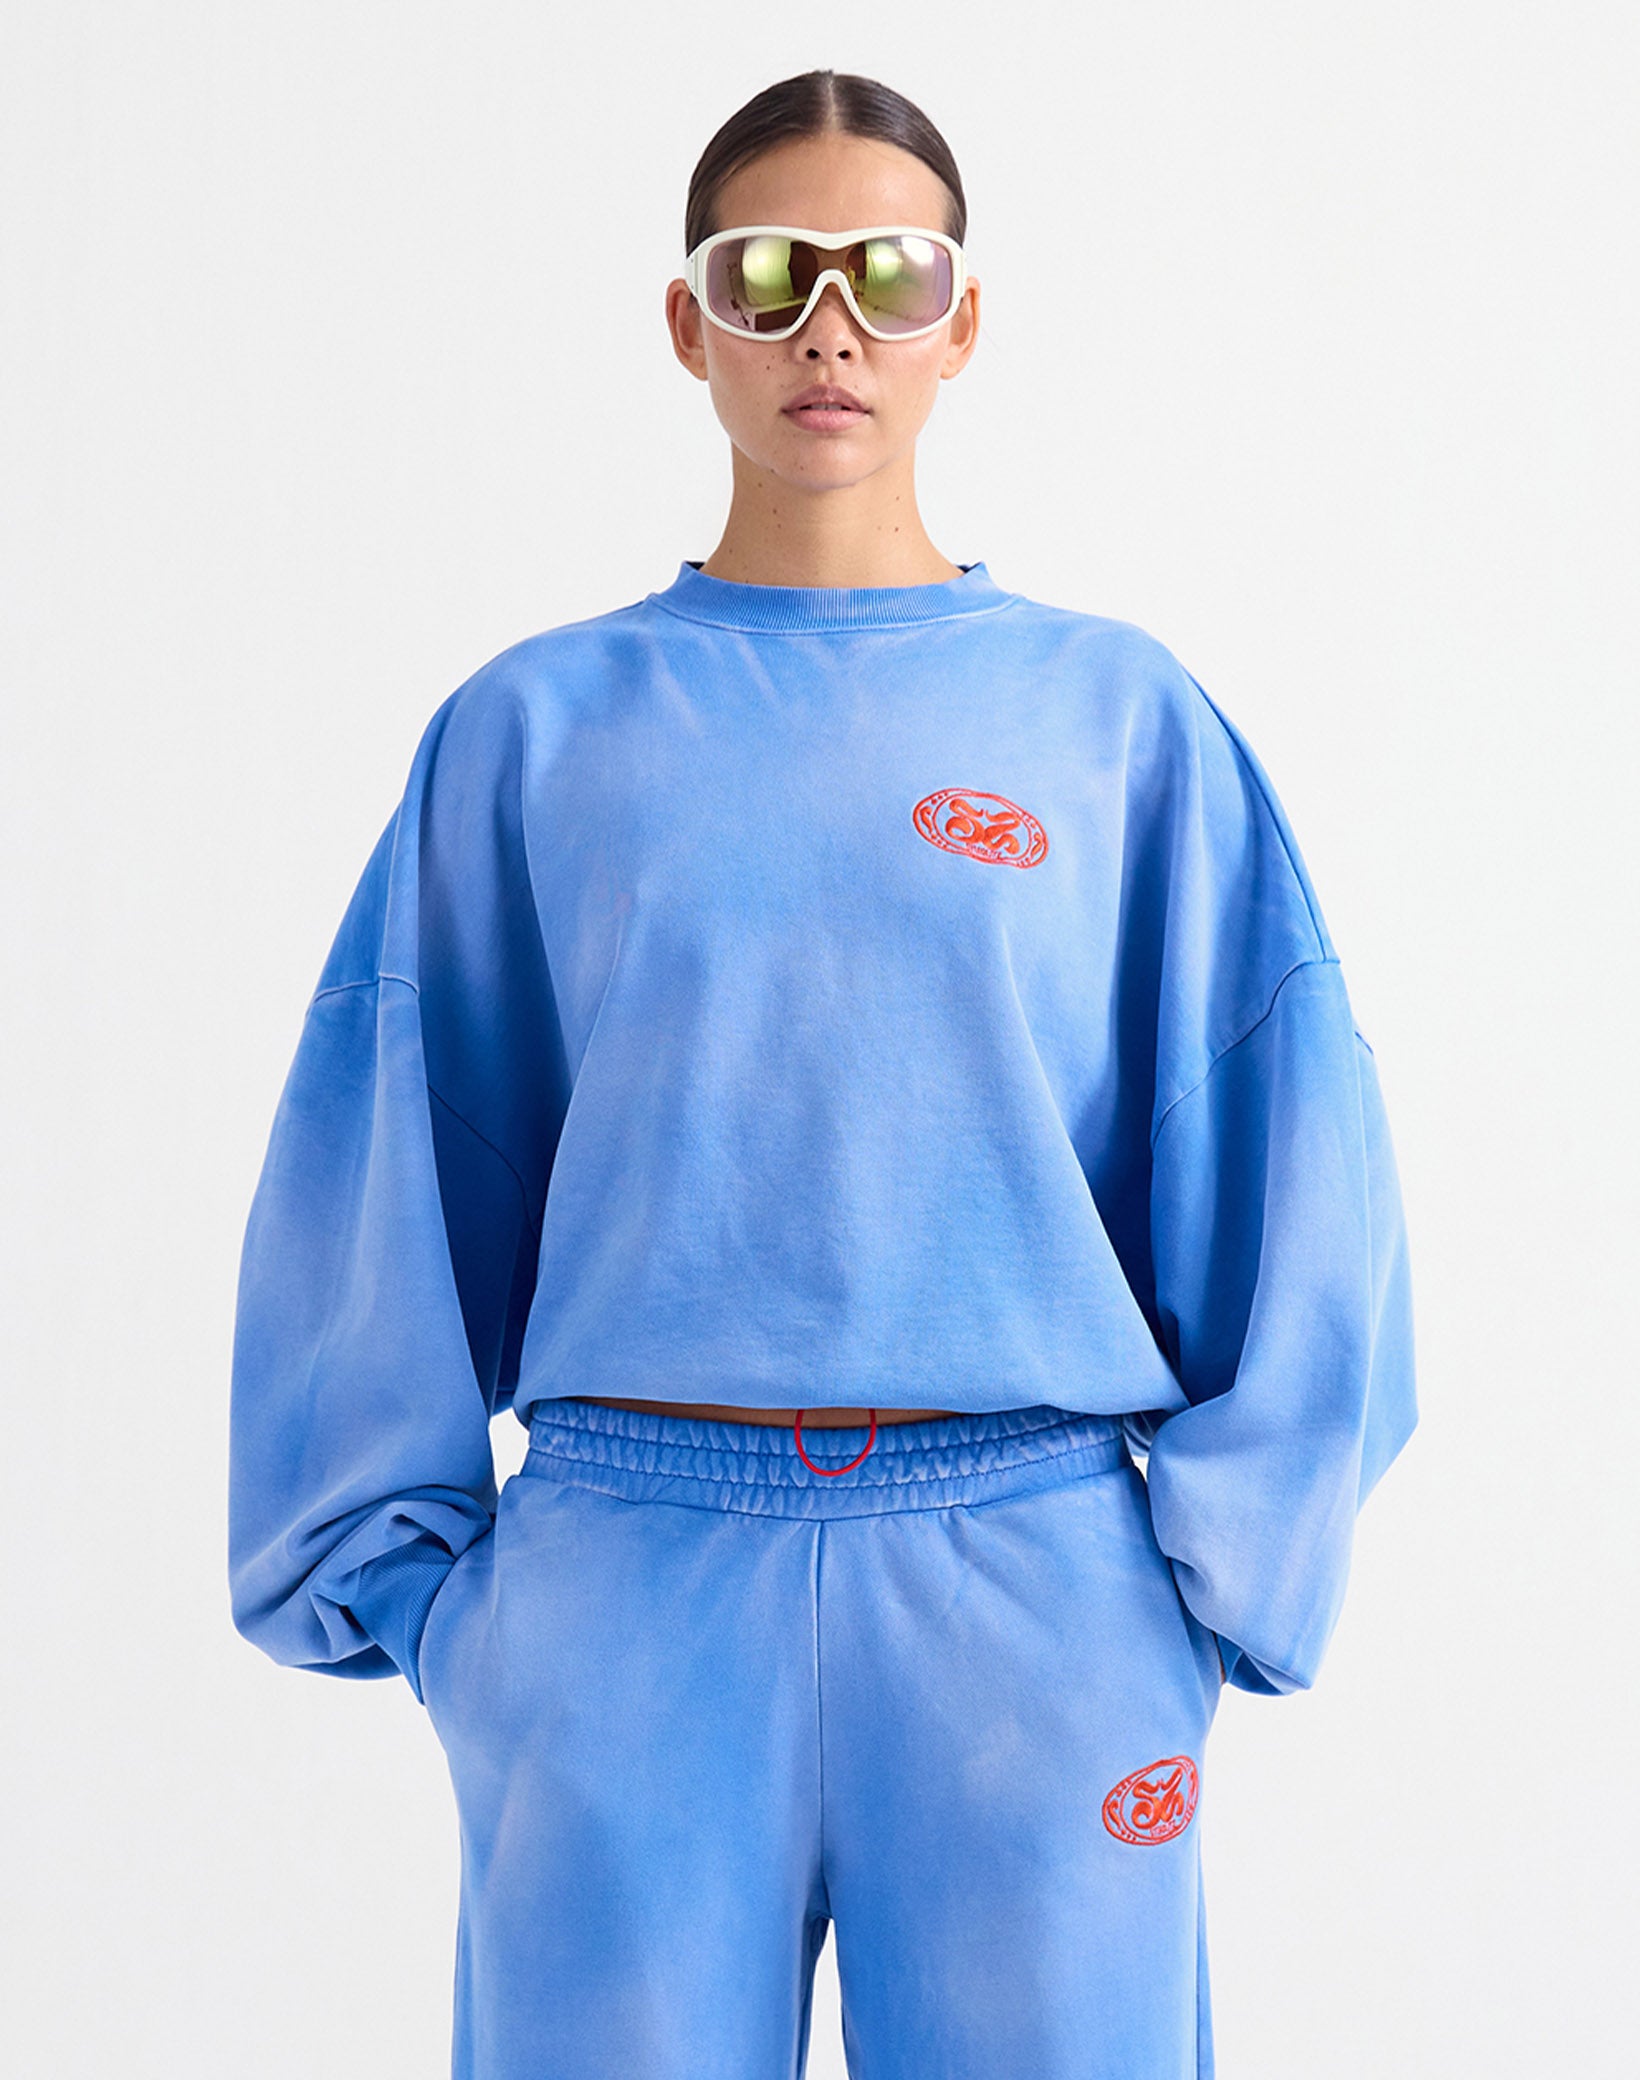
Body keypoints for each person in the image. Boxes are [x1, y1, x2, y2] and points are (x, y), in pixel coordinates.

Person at [227, 66, 1417, 2080]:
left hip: (1034, 1581)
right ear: (686, 322)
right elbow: (385, 1160)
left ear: (967, 319)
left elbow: (1295, 1142)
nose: (830, 329)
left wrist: (1208, 1583)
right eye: (768, 276)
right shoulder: (535, 730)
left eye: (892, 274)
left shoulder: (1116, 723)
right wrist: (434, 1607)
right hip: (625, 1585)